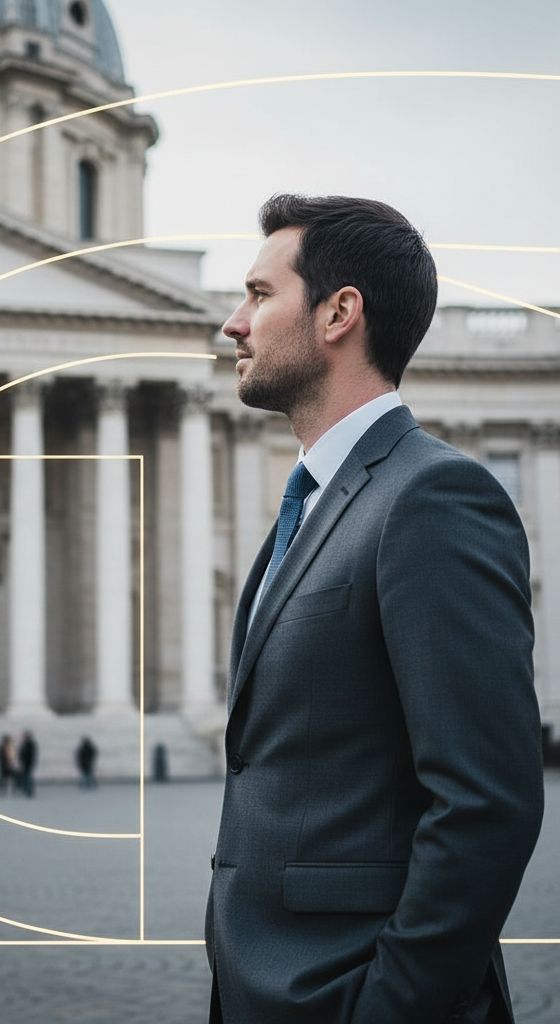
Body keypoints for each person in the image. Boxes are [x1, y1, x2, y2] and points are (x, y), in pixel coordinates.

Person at [204, 194, 544, 1024]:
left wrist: (388, 1007)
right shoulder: (317, 502)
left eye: (257, 294)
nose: (231, 324)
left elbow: (486, 801)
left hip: (348, 993)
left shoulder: (433, 496)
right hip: (265, 986)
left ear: (338, 313)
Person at [17, 730, 38, 797]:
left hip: (28, 763)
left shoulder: (30, 744)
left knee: (28, 777)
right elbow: (21, 753)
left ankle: (29, 791)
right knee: (26, 777)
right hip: (24, 763)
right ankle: (26, 790)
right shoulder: (24, 744)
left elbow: (30, 755)